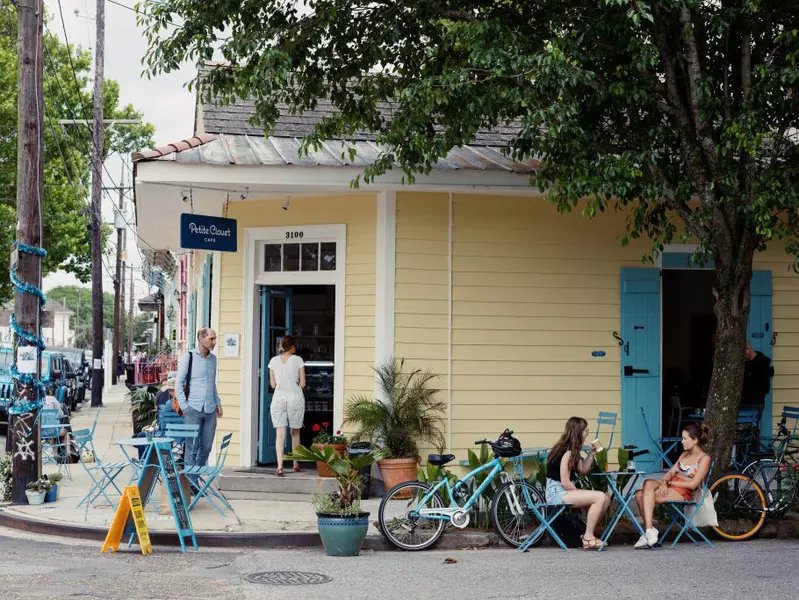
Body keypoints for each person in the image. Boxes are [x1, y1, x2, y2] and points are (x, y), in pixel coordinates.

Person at [633, 423, 711, 549]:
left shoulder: (704, 459)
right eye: (682, 438)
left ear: (695, 440)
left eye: (685, 438)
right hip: (670, 485)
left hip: (683, 491)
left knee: (640, 495)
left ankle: (647, 532)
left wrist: (670, 483)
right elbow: (670, 472)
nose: (682, 442)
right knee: (647, 483)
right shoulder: (684, 455)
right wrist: (664, 482)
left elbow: (693, 484)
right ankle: (649, 531)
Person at [546, 416, 611, 550]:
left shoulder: (572, 450)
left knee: (606, 498)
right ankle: (588, 536)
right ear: (578, 432)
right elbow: (565, 481)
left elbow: (583, 469)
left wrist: (591, 454)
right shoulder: (567, 452)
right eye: (585, 431)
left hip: (563, 490)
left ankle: (586, 533)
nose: (587, 434)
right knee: (599, 497)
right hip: (557, 492)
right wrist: (578, 491)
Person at [176, 328, 223, 474]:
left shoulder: (213, 359)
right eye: (211, 339)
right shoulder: (188, 357)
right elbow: (178, 383)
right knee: (191, 448)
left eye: (215, 338)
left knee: (207, 447)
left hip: (210, 410)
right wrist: (185, 407)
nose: (214, 342)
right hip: (193, 409)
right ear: (201, 339)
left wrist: (217, 402)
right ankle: (190, 484)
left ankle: (193, 481)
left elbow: (211, 383)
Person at [268, 335, 306, 477]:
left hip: (278, 398)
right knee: (295, 432)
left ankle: (279, 467)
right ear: (292, 347)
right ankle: (296, 464)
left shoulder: (273, 361)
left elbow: (273, 385)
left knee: (280, 433)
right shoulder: (298, 360)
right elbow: (302, 384)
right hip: (294, 397)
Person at [742, 342, 773, 412]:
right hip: (752, 402)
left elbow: (765, 388)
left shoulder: (761, 365)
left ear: (747, 350)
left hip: (754, 402)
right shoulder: (750, 364)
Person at [42, 389, 71, 462]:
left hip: (41, 432)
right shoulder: (53, 399)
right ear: (49, 392)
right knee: (65, 432)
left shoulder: (38, 401)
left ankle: (55, 454)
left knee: (53, 433)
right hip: (53, 430)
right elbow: (60, 415)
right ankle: (68, 452)